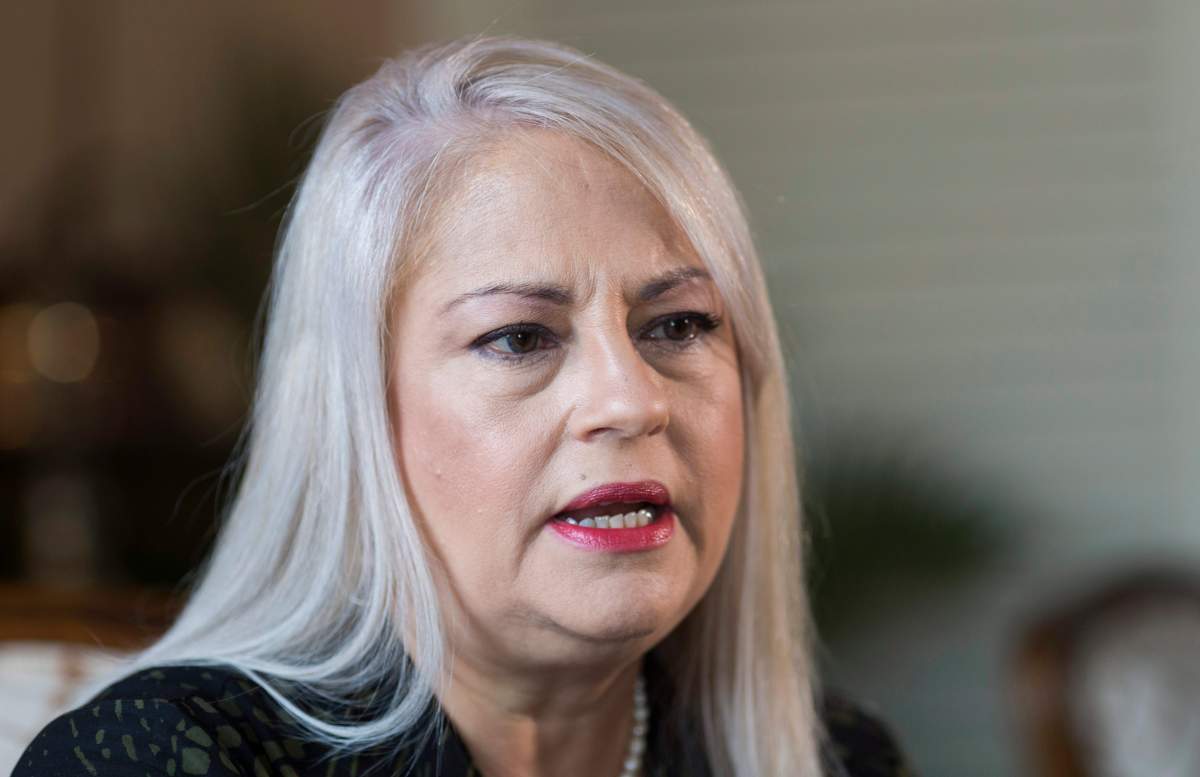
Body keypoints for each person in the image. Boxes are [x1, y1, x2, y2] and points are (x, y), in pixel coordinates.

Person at [14, 36, 912, 777]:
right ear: (354, 413)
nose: (631, 399)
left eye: (678, 323)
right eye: (521, 336)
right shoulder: (159, 760)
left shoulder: (840, 760)